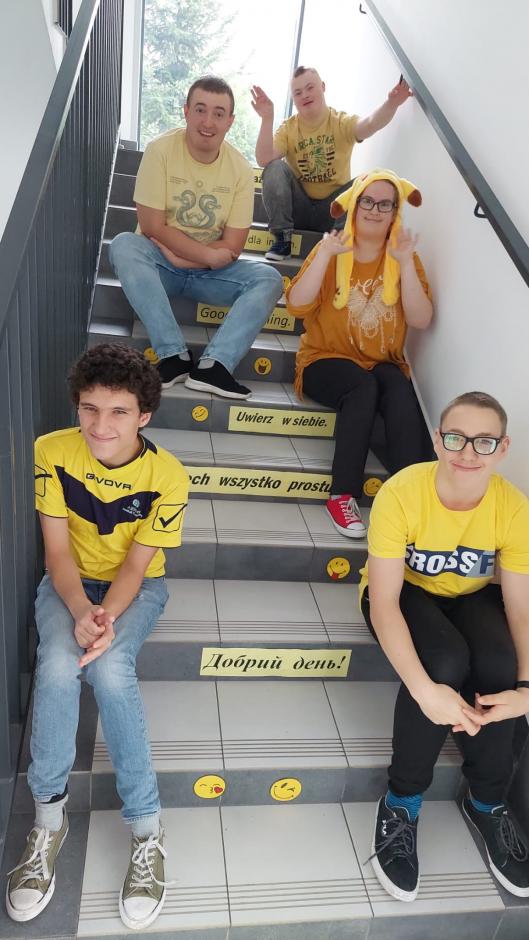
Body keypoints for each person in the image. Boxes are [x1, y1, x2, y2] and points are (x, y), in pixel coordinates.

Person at [6, 344, 189, 930]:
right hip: (70, 584)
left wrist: (103, 616)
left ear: (144, 416)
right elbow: (57, 553)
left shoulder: (169, 476)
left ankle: (147, 830)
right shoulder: (52, 451)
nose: (100, 425)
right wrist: (80, 607)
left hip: (137, 588)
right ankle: (47, 822)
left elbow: (136, 567)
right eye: (89, 408)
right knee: (60, 665)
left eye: (118, 412)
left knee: (109, 668)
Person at [361, 391, 529, 902]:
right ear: (437, 440)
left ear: (503, 448)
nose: (468, 452)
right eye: (455, 437)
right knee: (444, 661)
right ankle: (402, 799)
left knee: (499, 662)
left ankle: (486, 801)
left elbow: (520, 607)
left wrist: (527, 689)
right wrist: (424, 690)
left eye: (484, 441)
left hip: (470, 595)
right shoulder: (401, 492)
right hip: (403, 594)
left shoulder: (513, 507)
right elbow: (384, 603)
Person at [110, 75, 283, 400]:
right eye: (200, 109)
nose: (208, 121)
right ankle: (173, 355)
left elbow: (233, 246)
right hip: (161, 265)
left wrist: (185, 257)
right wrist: (199, 256)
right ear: (186, 112)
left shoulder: (240, 169)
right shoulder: (160, 150)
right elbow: (150, 226)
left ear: (230, 121)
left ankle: (214, 367)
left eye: (219, 113)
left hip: (209, 274)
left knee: (269, 278)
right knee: (123, 245)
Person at [286, 168, 433, 539]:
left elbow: (421, 319)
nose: (375, 210)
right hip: (323, 360)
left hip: (380, 362)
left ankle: (412, 503)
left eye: (385, 204)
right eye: (368, 200)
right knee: (363, 386)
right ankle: (342, 495)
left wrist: (405, 263)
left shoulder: (403, 256)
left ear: (395, 211)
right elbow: (296, 306)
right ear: (354, 204)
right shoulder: (333, 248)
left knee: (398, 387)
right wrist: (324, 254)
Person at [251, 66, 413, 260]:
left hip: (333, 211)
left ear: (323, 87)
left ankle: (340, 244)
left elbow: (370, 124)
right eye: (298, 92)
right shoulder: (288, 128)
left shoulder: (341, 122)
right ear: (293, 99)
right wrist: (267, 118)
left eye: (310, 88)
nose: (305, 95)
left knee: (365, 181)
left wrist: (392, 103)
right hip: (298, 209)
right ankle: (282, 239)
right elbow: (264, 159)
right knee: (274, 167)